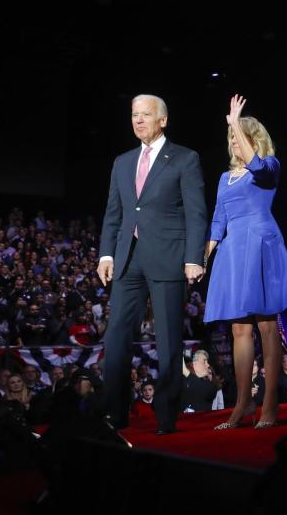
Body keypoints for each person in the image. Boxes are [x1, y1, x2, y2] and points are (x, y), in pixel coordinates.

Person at [97, 94, 208, 435]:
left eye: (146, 115)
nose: (138, 120)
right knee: (115, 337)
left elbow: (195, 211)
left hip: (168, 257)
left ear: (163, 120)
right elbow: (114, 212)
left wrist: (193, 257)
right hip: (128, 259)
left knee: (169, 340)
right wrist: (106, 254)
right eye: (134, 115)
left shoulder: (185, 159)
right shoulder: (122, 161)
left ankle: (166, 414)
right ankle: (115, 413)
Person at [204, 95, 287, 430]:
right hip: (232, 251)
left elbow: (257, 167)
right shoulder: (223, 178)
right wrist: (206, 253)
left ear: (254, 139)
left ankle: (270, 403)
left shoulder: (269, 166)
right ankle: (242, 403)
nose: (233, 141)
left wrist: (235, 122)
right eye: (231, 136)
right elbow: (219, 217)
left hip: (260, 245)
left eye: (239, 136)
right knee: (239, 329)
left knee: (267, 325)